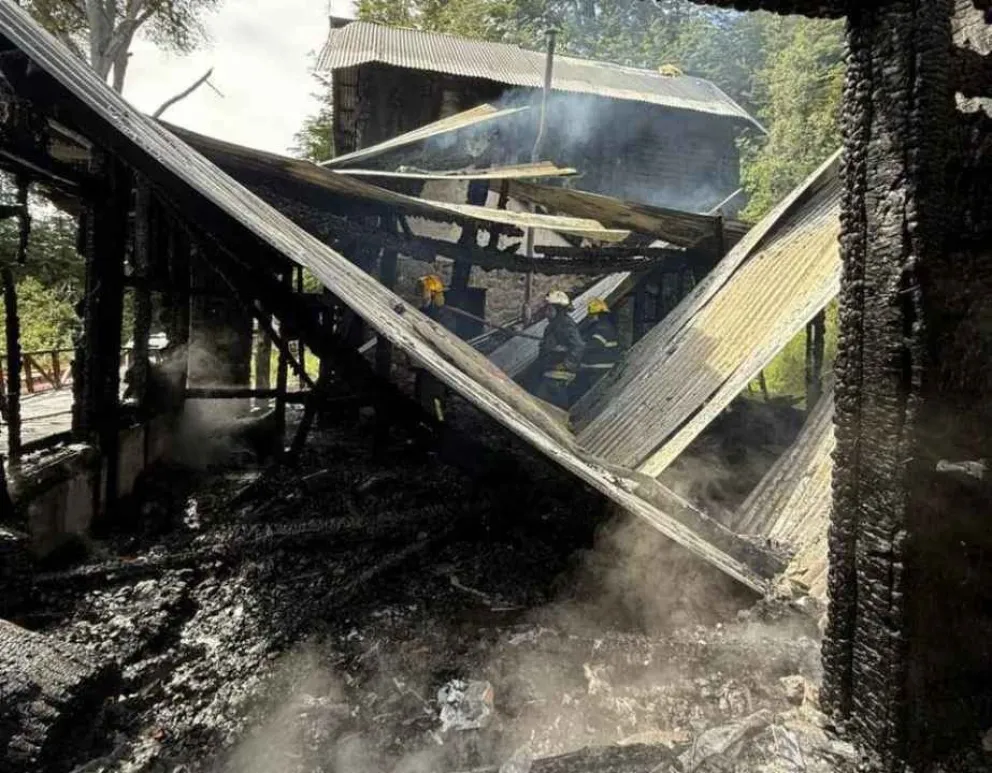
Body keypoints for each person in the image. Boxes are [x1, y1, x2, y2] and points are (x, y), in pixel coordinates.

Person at [414, 275, 458, 423]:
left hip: (438, 366)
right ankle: (424, 425)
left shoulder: (445, 316)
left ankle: (438, 427)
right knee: (420, 395)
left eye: (424, 292)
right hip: (423, 364)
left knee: (435, 400)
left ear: (432, 294)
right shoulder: (420, 311)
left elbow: (444, 341)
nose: (421, 295)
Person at [535, 290, 584, 410]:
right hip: (551, 372)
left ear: (557, 309)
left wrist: (566, 364)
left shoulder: (566, 324)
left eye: (549, 308)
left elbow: (578, 346)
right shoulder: (552, 326)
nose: (546, 312)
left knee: (544, 404)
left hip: (558, 375)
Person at [574, 297, 622, 398]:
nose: (589, 317)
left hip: (597, 370)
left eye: (591, 315)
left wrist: (576, 346)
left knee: (583, 394)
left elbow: (594, 345)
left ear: (597, 314)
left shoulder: (601, 328)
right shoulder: (606, 326)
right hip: (600, 368)